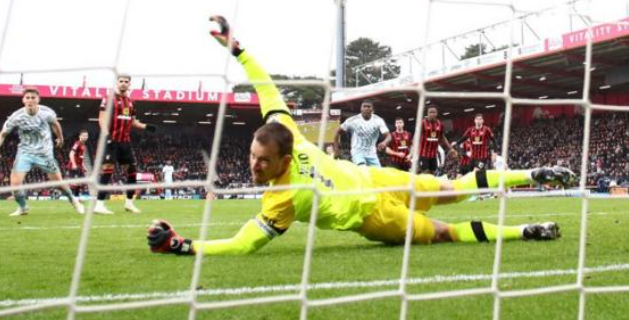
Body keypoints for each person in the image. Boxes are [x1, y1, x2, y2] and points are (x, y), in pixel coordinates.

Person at [146, 16, 571, 256]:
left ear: (283, 156)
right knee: (443, 230)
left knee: (455, 188)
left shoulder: (284, 174)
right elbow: (243, 243)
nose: (252, 165)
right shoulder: (282, 165)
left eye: (261, 161)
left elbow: (243, 245)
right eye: (253, 158)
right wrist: (187, 245)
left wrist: (239, 49)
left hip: (380, 179)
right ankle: (526, 230)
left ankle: (534, 173)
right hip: (375, 217)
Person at [0, 88, 83, 215]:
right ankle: (23, 207)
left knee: (59, 184)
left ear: (38, 99)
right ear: (23, 100)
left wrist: (60, 138)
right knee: (15, 184)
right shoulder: (16, 117)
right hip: (25, 152)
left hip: (44, 153)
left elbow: (55, 124)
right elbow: (2, 134)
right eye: (27, 97)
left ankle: (74, 200)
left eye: (33, 97)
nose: (30, 100)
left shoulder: (46, 113)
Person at [95, 74, 156, 215]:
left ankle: (129, 204)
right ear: (117, 83)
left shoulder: (131, 102)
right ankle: (99, 205)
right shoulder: (108, 99)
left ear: (129, 84)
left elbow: (133, 121)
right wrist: (107, 136)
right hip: (111, 140)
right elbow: (102, 119)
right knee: (108, 171)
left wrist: (146, 126)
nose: (123, 83)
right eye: (121, 81)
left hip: (125, 142)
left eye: (126, 82)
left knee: (132, 172)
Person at [337, 101, 390, 167]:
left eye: (368, 106)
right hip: (357, 152)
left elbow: (388, 136)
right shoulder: (353, 120)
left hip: (372, 154)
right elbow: (338, 131)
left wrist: (384, 142)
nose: (366, 108)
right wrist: (335, 148)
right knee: (363, 169)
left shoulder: (378, 120)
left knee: (378, 175)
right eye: (364, 106)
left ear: (372, 109)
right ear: (361, 109)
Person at [418, 106, 457, 175]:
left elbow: (442, 137)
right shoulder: (422, 123)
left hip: (433, 155)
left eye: (434, 112)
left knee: (433, 174)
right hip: (423, 154)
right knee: (426, 174)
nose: (432, 114)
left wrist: (450, 148)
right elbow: (417, 137)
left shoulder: (440, 124)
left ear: (437, 113)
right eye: (430, 112)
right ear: (427, 113)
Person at [68, 130, 90, 196]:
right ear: (80, 136)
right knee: (75, 183)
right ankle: (72, 198)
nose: (85, 137)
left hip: (79, 167)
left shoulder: (84, 145)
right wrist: (74, 164)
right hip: (74, 166)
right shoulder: (77, 143)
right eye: (83, 135)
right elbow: (71, 154)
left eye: (86, 136)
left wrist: (83, 166)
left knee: (80, 183)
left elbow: (81, 157)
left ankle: (76, 198)